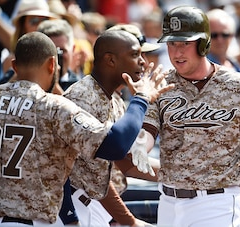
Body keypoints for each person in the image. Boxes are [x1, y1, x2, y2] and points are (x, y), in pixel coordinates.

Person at [0, 31, 173, 226]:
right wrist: (141, 99)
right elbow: (114, 145)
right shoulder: (52, 107)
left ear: (14, 66)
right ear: (53, 65)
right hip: (29, 221)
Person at [141, 6, 240, 227]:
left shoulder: (237, 85)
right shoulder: (161, 84)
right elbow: (148, 132)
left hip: (216, 202)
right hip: (169, 202)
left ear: (203, 44)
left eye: (185, 43)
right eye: (172, 43)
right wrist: (138, 146)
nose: (177, 52)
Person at [63, 26, 161, 227]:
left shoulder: (113, 99)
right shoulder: (82, 97)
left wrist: (186, 173)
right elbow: (96, 177)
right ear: (110, 60)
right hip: (76, 207)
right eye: (135, 54)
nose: (143, 61)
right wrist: (130, 222)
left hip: (94, 206)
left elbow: (127, 162)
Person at [37, 19, 81, 91]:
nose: (56, 57)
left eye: (62, 51)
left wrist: (54, 85)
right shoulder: (29, 79)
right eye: (51, 51)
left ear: (73, 49)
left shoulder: (79, 86)